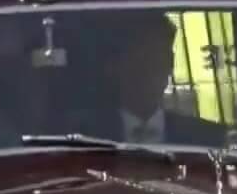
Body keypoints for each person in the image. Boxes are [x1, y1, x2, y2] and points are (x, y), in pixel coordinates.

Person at [95, 14, 227, 146]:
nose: (148, 72)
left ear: (171, 63)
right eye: (138, 60)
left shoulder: (208, 138)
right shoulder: (87, 138)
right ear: (114, 66)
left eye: (156, 58)